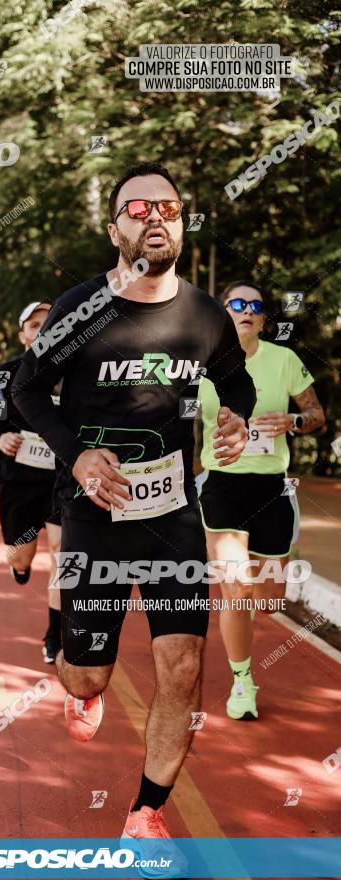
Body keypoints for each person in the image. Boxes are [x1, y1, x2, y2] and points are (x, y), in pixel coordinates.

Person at [12, 162, 255, 859]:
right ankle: (76, 674)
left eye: (169, 208)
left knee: (181, 668)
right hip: (93, 512)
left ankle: (145, 812)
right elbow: (28, 392)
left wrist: (233, 418)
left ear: (181, 223)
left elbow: (231, 380)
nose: (155, 217)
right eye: (138, 207)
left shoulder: (204, 314)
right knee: (88, 672)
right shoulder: (81, 308)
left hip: (172, 515)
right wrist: (76, 456)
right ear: (114, 225)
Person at [196, 281, 324, 720]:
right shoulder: (200, 362)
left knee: (267, 601)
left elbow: (317, 416)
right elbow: (173, 416)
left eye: (255, 306)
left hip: (271, 488)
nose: (246, 310)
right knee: (236, 588)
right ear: (222, 313)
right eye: (237, 303)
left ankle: (245, 623)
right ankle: (242, 681)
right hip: (221, 485)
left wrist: (292, 419)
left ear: (264, 319)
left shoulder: (284, 360)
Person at [0, 302, 63, 663]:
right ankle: (20, 566)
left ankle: (55, 634)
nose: (42, 330)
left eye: (50, 323)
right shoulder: (6, 374)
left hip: (62, 478)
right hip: (18, 478)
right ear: (22, 334)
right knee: (22, 552)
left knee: (63, 554)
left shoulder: (74, 373)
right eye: (34, 325)